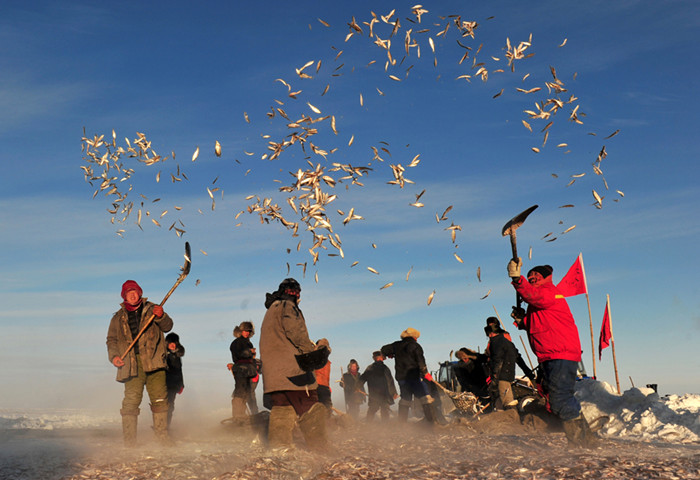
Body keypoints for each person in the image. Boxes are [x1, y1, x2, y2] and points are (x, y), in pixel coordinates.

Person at [508, 259, 597, 447]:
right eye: (529, 276)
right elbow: (538, 324)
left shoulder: (549, 292)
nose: (531, 278)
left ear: (545, 278)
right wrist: (523, 320)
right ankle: (585, 438)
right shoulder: (538, 301)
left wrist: (518, 279)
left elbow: (534, 295)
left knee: (560, 399)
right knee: (556, 399)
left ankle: (582, 442)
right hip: (550, 355)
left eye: (535, 276)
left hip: (560, 354)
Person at [259, 278, 327, 450]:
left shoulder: (270, 311)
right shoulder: (287, 307)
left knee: (282, 408)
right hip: (292, 373)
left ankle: (278, 449)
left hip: (274, 376)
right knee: (311, 407)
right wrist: (312, 351)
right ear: (294, 293)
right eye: (296, 293)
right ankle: (320, 448)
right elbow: (296, 333)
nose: (297, 296)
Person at [106, 280, 173, 446]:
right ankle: (129, 442)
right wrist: (114, 357)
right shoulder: (117, 317)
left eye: (135, 291)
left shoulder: (153, 309)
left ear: (140, 292)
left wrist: (161, 316)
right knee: (130, 401)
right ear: (124, 296)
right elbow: (111, 340)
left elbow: (168, 326)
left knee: (159, 400)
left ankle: (162, 440)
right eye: (129, 292)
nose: (132, 294)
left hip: (154, 362)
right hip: (131, 364)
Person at [381, 328, 436, 425]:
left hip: (402, 378)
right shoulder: (416, 346)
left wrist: (390, 353)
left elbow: (384, 349)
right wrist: (425, 373)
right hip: (414, 377)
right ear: (414, 337)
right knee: (425, 397)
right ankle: (432, 422)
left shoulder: (396, 345)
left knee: (405, 399)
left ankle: (402, 424)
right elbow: (420, 361)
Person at [228, 321, 257, 424]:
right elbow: (238, 354)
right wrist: (249, 352)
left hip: (248, 370)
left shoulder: (248, 342)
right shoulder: (236, 342)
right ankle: (238, 415)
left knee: (247, 392)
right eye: (245, 331)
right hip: (240, 370)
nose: (247, 333)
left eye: (249, 331)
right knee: (240, 391)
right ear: (240, 331)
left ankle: (244, 415)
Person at [484, 322, 518, 410]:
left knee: (507, 400)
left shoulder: (496, 342)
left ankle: (512, 418)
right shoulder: (507, 342)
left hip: (502, 375)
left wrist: (495, 376)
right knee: (500, 399)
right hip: (508, 373)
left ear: (491, 333)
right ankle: (501, 416)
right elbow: (516, 356)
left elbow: (497, 359)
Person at [360, 351, 398, 422]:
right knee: (384, 411)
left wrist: (356, 387)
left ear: (374, 358)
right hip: (384, 394)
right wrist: (394, 393)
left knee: (372, 409)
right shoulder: (385, 368)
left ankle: (368, 425)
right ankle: (384, 426)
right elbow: (390, 382)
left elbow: (362, 379)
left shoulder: (370, 368)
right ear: (381, 358)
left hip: (374, 394)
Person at [164, 332, 185, 430]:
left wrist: (181, 384)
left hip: (174, 385)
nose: (172, 345)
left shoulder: (177, 356)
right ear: (167, 344)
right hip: (164, 383)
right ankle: (161, 425)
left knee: (170, 406)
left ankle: (166, 426)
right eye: (170, 343)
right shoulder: (164, 355)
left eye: (174, 343)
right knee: (163, 406)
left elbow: (179, 371)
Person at [314, 338, 333, 415]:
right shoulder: (322, 360)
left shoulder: (326, 362)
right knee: (325, 408)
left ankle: (325, 424)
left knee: (326, 409)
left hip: (322, 386)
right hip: (318, 386)